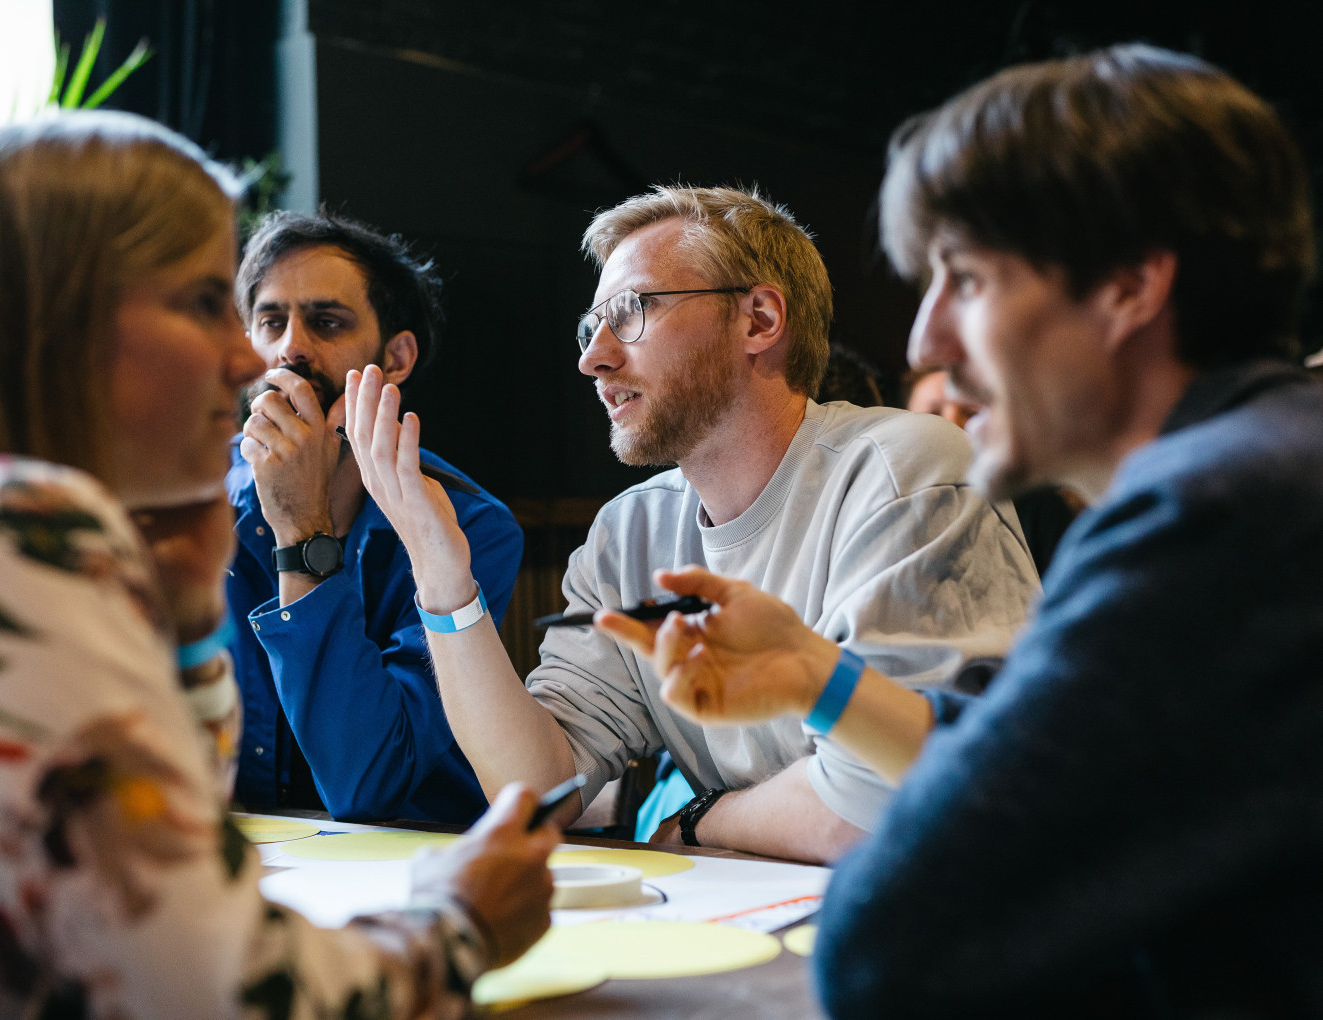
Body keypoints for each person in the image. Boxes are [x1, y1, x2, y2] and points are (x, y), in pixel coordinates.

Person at [598, 44, 1323, 1015]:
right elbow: (1039, 780)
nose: (924, 341)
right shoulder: (1271, 464)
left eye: (968, 281)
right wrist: (822, 679)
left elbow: (892, 944)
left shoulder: (1211, 510)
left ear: (1129, 287)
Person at [0, 111, 555, 1017]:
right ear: (58, 311)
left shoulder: (458, 521)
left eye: (321, 322)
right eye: (225, 308)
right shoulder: (24, 528)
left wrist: (213, 607)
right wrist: (463, 923)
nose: (263, 357)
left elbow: (159, 828)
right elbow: (217, 981)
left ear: (395, 360)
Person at [344, 184, 1040, 864]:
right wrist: (440, 571)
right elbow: (533, 790)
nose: (594, 359)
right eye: (592, 328)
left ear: (760, 321)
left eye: (635, 310)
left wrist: (705, 819)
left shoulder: (902, 471)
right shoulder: (629, 534)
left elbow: (881, 809)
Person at [228, 211, 523, 823]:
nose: (291, 348)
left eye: (326, 322)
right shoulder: (186, 510)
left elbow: (368, 783)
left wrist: (300, 531)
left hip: (411, 867)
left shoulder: (468, 529)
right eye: (270, 321)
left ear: (395, 359)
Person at [905, 366, 1081, 578]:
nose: (951, 424)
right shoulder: (896, 515)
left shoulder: (1040, 508)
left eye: (970, 412)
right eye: (933, 414)